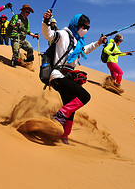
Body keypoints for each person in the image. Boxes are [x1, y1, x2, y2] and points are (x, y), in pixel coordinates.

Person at [42, 10, 106, 144]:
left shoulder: (79, 42)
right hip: (58, 75)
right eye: (84, 27)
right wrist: (46, 22)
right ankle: (59, 115)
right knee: (85, 96)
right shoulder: (63, 34)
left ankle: (64, 135)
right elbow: (48, 35)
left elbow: (85, 50)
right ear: (76, 24)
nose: (85, 30)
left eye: (88, 28)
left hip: (67, 77)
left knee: (71, 107)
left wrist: (98, 43)